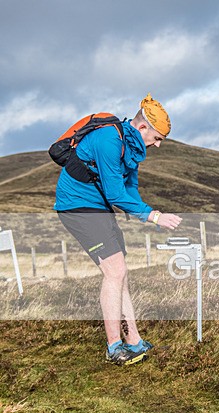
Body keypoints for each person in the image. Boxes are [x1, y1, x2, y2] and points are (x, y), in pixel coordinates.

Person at [54, 94, 182, 366]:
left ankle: (134, 340)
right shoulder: (109, 140)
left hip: (98, 207)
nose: (157, 145)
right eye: (157, 138)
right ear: (143, 128)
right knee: (115, 272)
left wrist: (144, 213)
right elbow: (114, 193)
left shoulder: (133, 148)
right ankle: (114, 347)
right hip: (78, 206)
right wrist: (154, 216)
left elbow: (129, 190)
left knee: (120, 271)